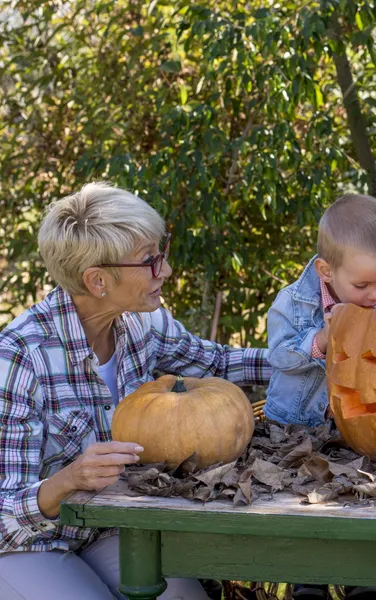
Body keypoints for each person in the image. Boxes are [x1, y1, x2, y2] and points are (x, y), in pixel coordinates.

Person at [0, 182, 273, 599]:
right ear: (97, 281)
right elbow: (4, 516)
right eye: (150, 261)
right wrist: (67, 481)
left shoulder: (141, 324)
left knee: (184, 597)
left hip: (108, 529)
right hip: (28, 544)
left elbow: (217, 363)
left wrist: (315, 357)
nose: (164, 270)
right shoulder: (20, 357)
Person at [264, 194, 376, 600]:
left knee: (363, 499)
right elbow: (278, 355)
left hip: (357, 429)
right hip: (297, 430)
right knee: (307, 507)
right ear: (326, 270)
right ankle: (309, 581)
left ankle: (363, 580)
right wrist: (322, 340)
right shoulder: (294, 302)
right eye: (363, 285)